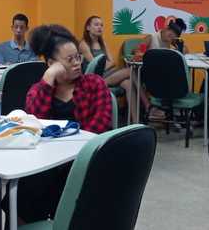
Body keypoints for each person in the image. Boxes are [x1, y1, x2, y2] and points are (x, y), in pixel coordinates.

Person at [8, 24, 112, 224]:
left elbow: (100, 126)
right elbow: (33, 124)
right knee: (24, 186)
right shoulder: (39, 89)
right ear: (51, 63)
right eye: (69, 59)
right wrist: (48, 78)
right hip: (47, 162)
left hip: (82, 160)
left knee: (49, 183)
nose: (77, 63)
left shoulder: (94, 84)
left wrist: (69, 149)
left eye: (78, 57)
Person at [78, 15, 132, 93]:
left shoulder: (102, 42)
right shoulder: (84, 44)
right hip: (95, 77)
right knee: (130, 71)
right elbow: (95, 67)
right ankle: (98, 84)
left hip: (108, 73)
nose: (100, 27)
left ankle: (144, 101)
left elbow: (113, 62)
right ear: (88, 28)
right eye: (96, 25)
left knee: (128, 83)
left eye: (101, 25)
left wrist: (105, 65)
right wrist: (107, 64)